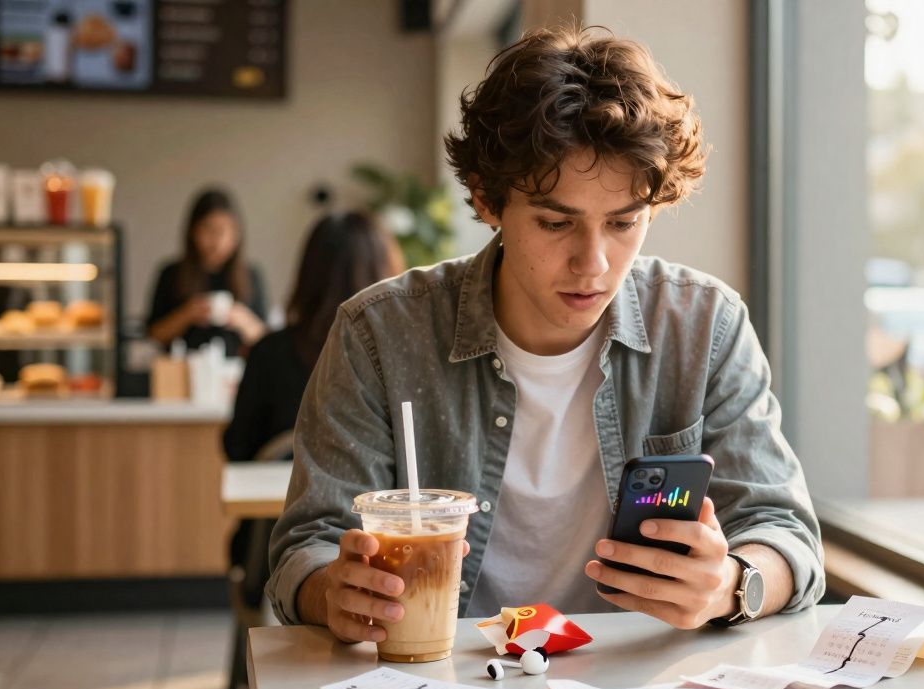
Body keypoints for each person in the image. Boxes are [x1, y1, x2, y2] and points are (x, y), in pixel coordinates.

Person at [267, 26, 823, 645]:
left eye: (623, 223)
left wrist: (731, 585)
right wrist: (333, 591)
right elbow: (307, 545)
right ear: (487, 201)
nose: (594, 262)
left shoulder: (703, 327)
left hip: (636, 679)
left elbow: (784, 531)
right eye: (557, 223)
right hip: (443, 677)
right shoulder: (381, 334)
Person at [223, 211, 404, 462]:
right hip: (376, 499)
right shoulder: (399, 354)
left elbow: (236, 446)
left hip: (280, 498)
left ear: (309, 273)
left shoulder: (269, 352)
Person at [146, 188, 268, 357]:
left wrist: (242, 319)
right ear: (193, 231)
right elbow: (154, 334)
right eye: (209, 229)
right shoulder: (171, 273)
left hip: (236, 373)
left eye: (226, 230)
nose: (218, 239)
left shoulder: (250, 275)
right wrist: (187, 314)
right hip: (181, 371)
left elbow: (266, 339)